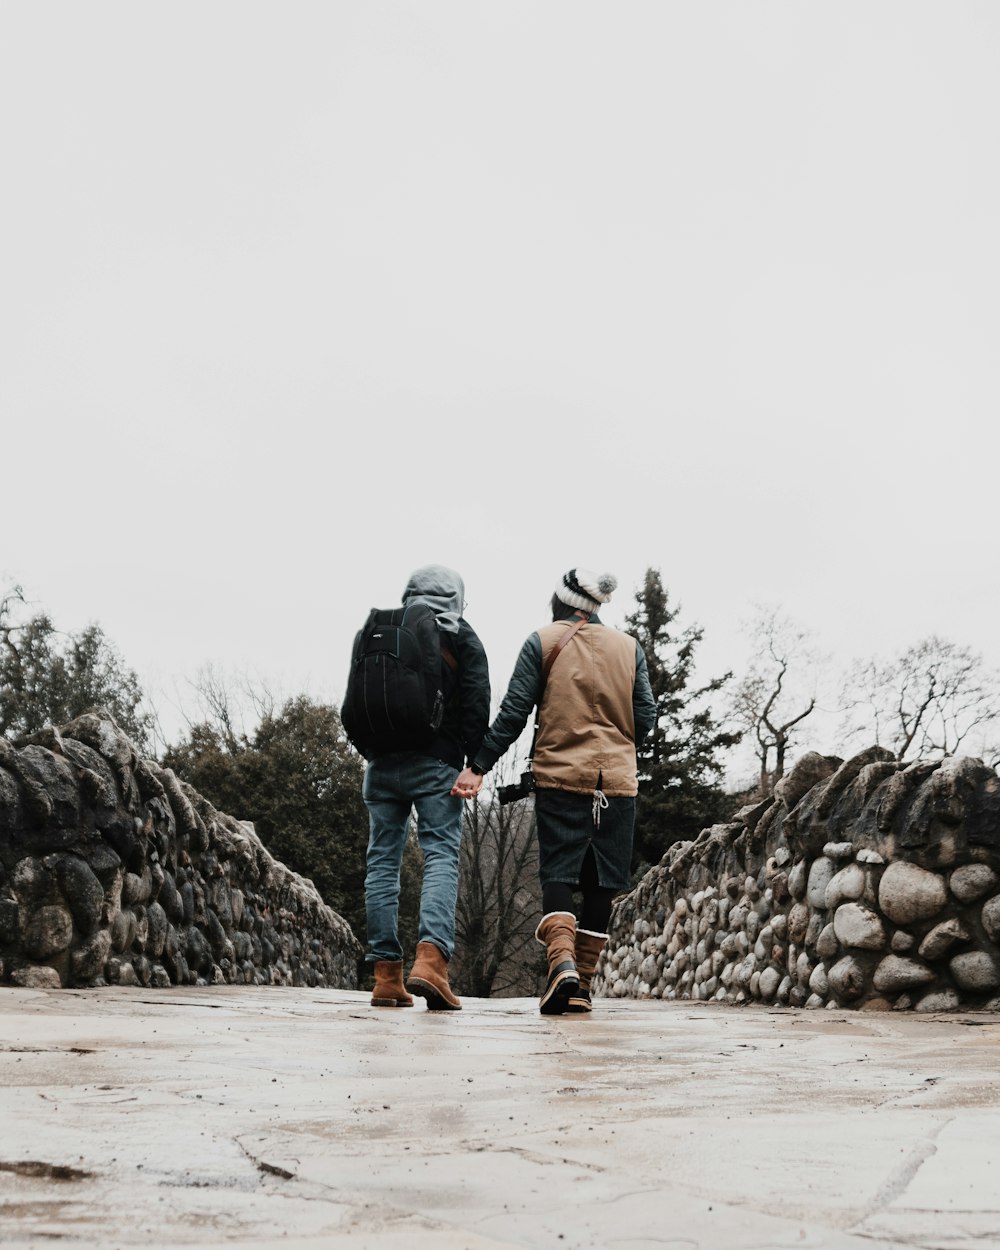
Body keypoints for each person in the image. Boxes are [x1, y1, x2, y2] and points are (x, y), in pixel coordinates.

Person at [453, 568, 656, 1015]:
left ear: (560, 600)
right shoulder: (630, 648)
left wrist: (478, 766)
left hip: (560, 777)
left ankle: (561, 965)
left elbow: (514, 712)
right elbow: (647, 719)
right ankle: (580, 985)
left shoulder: (542, 642)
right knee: (604, 883)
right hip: (618, 785)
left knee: (559, 874)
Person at [362, 564, 490, 1011]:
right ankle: (431, 962)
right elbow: (476, 700)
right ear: (455, 598)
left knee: (382, 860)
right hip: (436, 763)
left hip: (380, 763)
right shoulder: (461, 635)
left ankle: (385, 976)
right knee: (440, 854)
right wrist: (475, 763)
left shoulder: (385, 627)